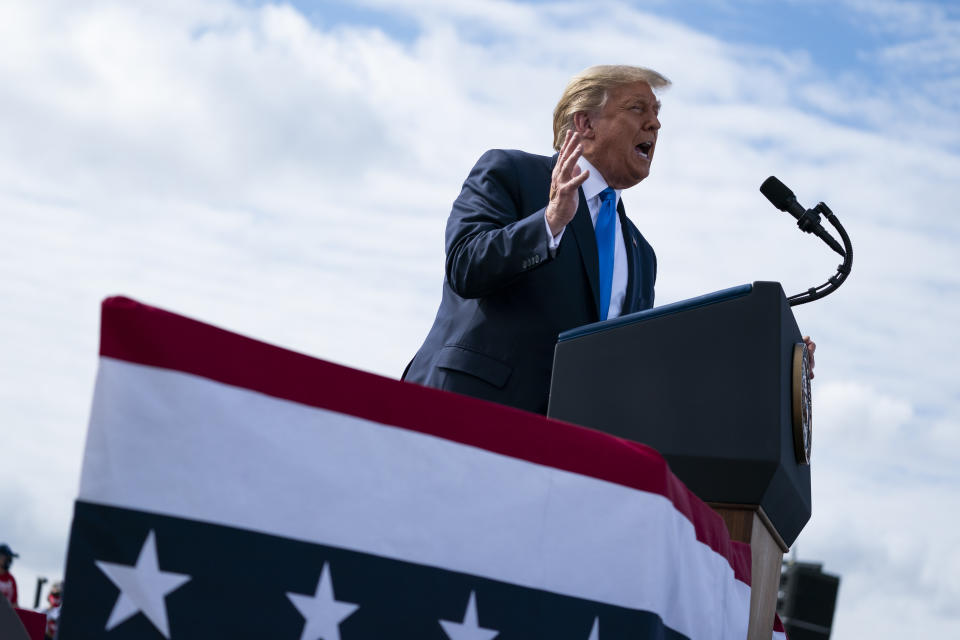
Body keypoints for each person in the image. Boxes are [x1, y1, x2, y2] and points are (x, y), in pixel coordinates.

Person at [404, 65, 668, 414]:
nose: (654, 123)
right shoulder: (511, 172)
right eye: (637, 108)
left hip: (564, 440)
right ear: (585, 123)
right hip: (466, 411)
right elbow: (465, 266)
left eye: (656, 112)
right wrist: (550, 222)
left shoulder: (642, 254)